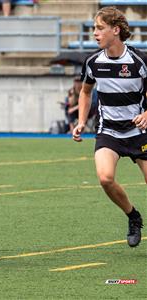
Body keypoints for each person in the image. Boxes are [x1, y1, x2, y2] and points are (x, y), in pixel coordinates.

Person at [72, 6, 146, 248]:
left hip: (139, 132)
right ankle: (133, 216)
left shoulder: (139, 61)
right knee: (105, 178)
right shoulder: (93, 62)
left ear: (116, 30)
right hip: (109, 132)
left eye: (100, 28)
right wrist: (82, 121)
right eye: (94, 28)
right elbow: (85, 92)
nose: (94, 33)